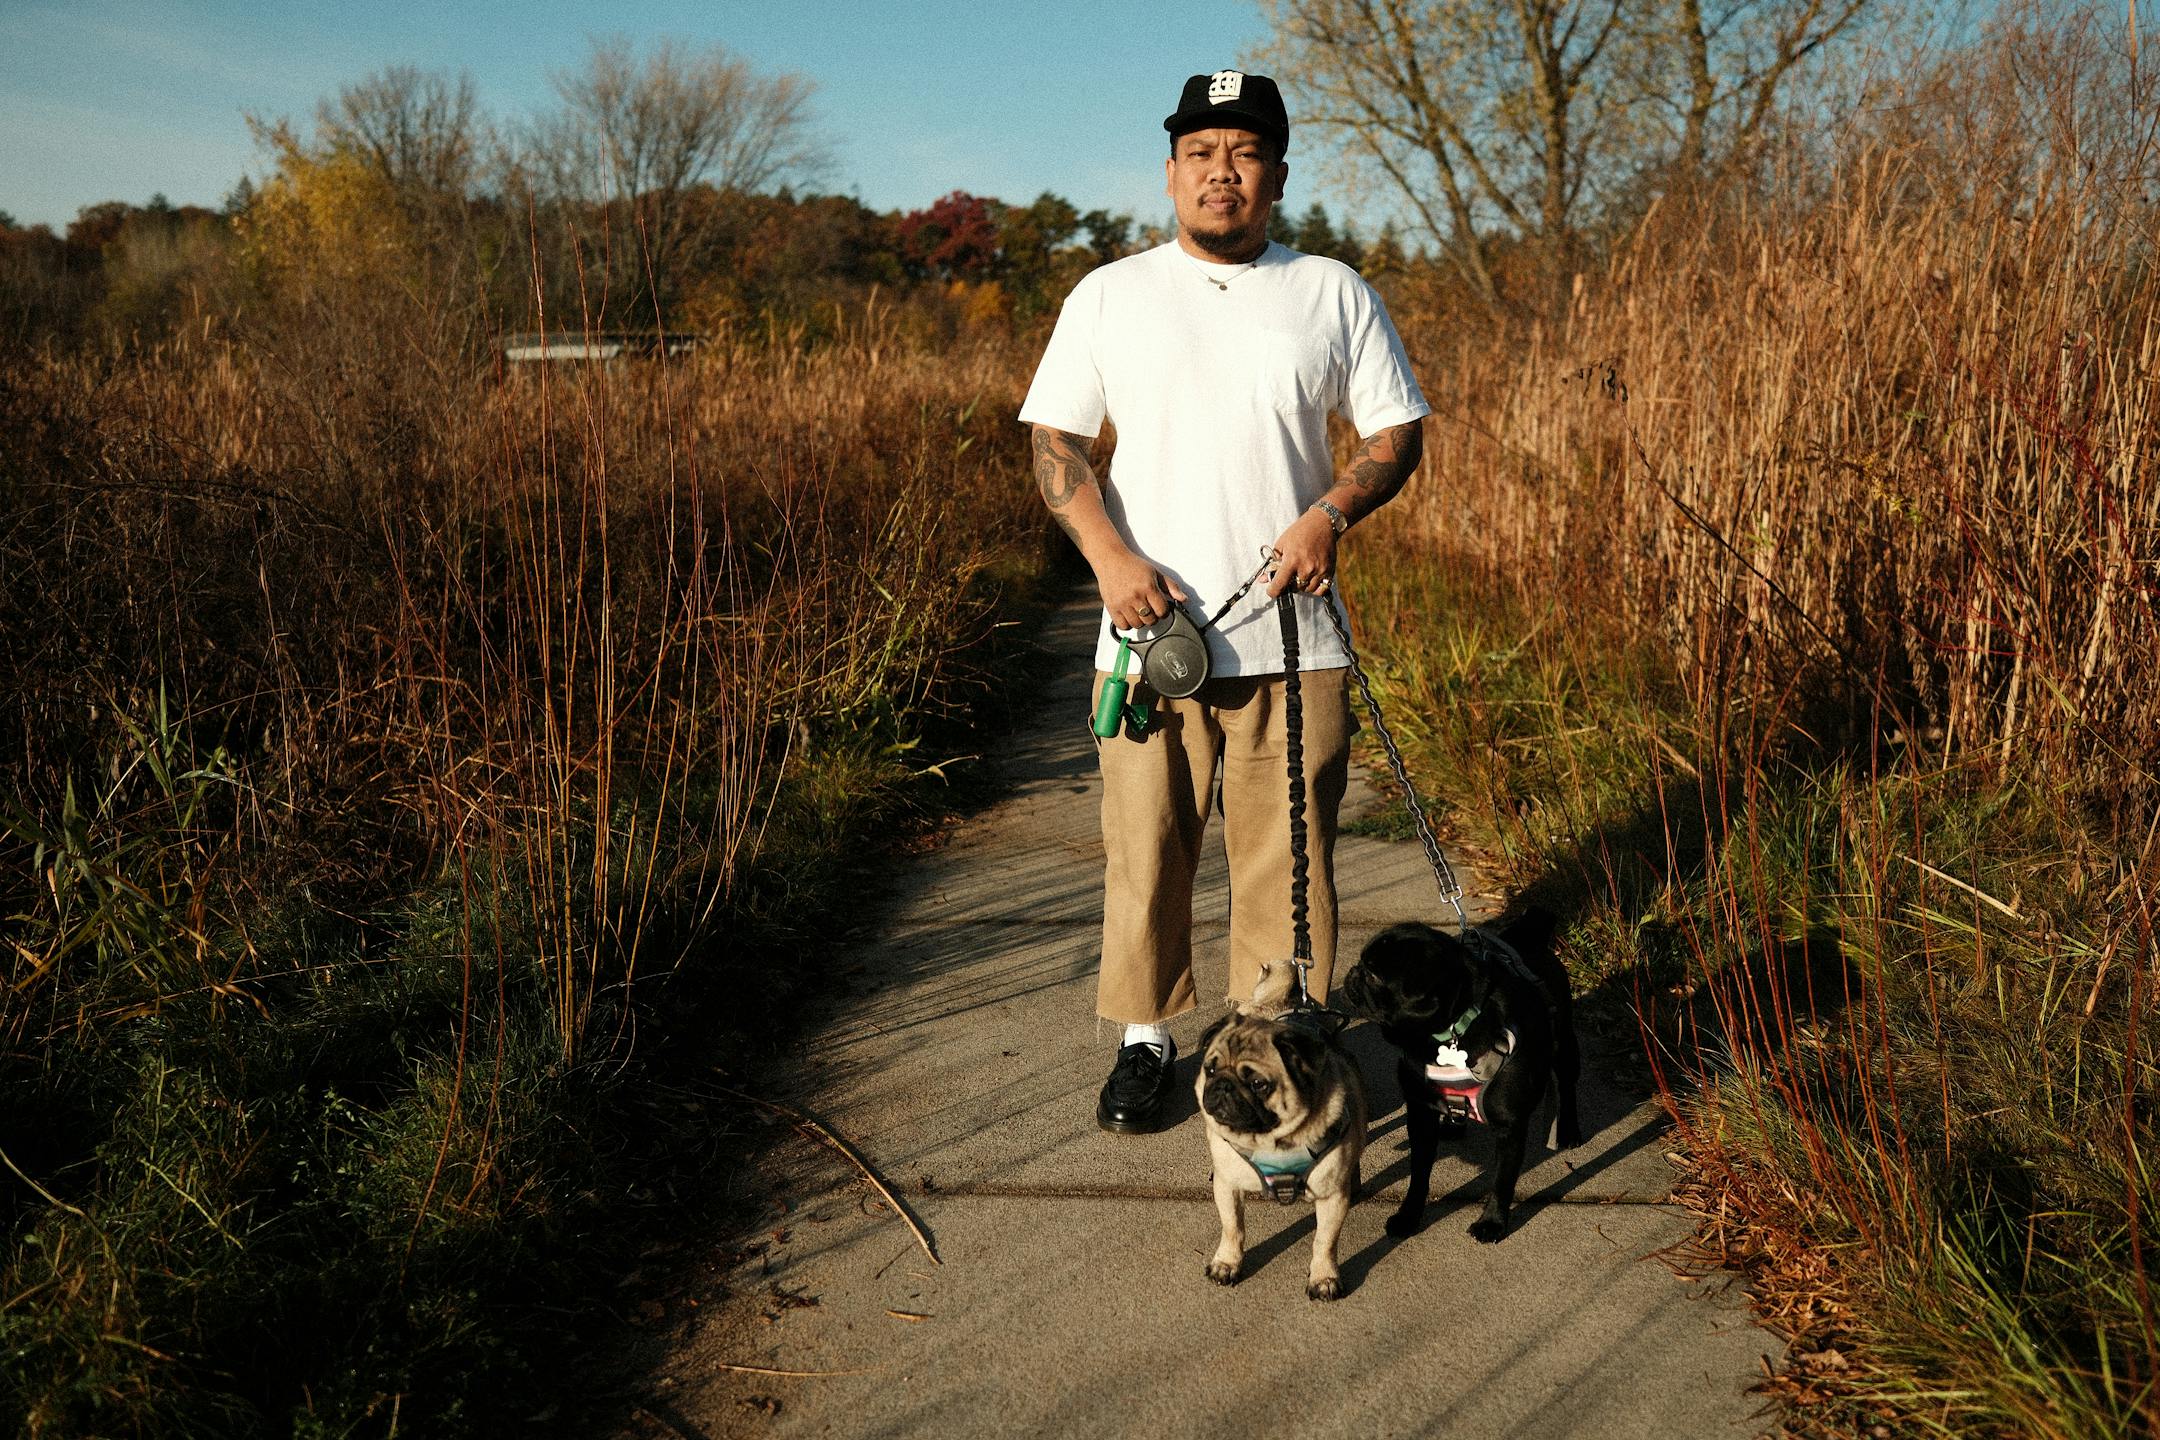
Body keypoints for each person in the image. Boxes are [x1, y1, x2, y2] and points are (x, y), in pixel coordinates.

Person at [1018, 70, 1430, 1134]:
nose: (1221, 171)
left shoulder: (1331, 290)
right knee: (1146, 851)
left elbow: (1394, 435)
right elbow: (1056, 440)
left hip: (1295, 641)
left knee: (1288, 866)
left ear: (1277, 175)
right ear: (1169, 172)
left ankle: (1280, 1050)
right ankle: (1146, 1042)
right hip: (1146, 643)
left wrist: (1329, 515)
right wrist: (1109, 561)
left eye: (1244, 152)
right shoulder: (1110, 293)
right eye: (1200, 151)